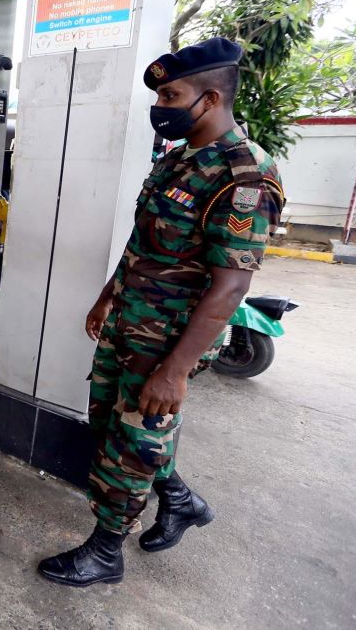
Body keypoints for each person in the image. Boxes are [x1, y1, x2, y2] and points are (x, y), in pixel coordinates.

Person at [37, 38, 285, 586]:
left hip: (169, 339)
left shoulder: (243, 177)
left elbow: (231, 284)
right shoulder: (181, 159)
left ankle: (106, 552)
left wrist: (174, 371)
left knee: (135, 436)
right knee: (116, 425)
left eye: (172, 94)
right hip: (130, 319)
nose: (162, 105)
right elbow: (143, 241)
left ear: (211, 98)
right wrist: (108, 295)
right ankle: (179, 500)